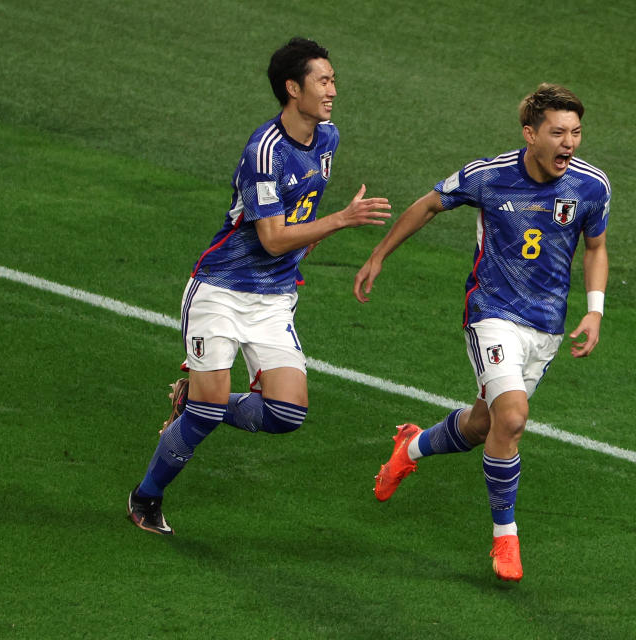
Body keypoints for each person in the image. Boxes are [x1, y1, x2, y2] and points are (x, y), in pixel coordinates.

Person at [127, 37, 391, 535]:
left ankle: (198, 399)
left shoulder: (327, 138)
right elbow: (270, 238)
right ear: (293, 89)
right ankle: (146, 497)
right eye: (324, 80)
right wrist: (342, 220)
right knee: (205, 417)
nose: (333, 89)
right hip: (222, 289)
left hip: (274, 297)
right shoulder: (264, 152)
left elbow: (300, 215)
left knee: (287, 413)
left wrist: (302, 257)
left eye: (333, 79)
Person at [353, 83, 610, 582]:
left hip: (546, 328)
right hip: (491, 314)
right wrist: (378, 255)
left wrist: (595, 310)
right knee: (512, 419)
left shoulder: (591, 185)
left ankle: (410, 446)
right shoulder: (488, 176)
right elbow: (429, 204)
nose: (570, 143)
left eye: (576, 132)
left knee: (483, 425)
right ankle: (505, 539)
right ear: (530, 134)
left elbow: (596, 247)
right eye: (558, 132)